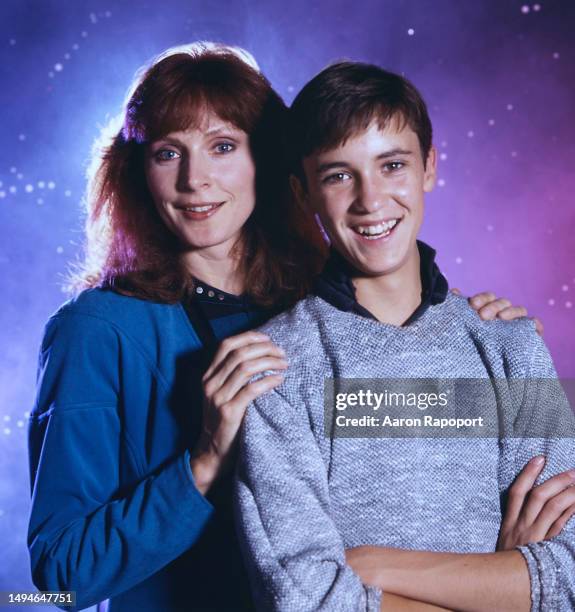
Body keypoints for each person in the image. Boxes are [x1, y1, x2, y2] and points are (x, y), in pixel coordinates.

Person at [27, 42, 548, 611]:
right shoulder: (97, 331)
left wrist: (501, 578)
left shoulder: (321, 306)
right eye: (167, 154)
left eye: (223, 146)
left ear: (268, 164)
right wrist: (201, 465)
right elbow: (60, 578)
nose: (195, 179)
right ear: (137, 172)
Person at [234, 61, 575, 611]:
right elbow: (305, 598)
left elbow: (571, 575)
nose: (370, 200)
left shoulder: (511, 347)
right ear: (303, 193)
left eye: (392, 165)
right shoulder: (277, 368)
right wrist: (497, 586)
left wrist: (373, 565)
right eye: (338, 174)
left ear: (429, 167)